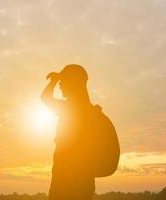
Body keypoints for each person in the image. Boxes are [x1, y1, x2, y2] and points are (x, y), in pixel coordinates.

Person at [41, 64, 118, 200]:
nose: (60, 85)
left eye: (62, 81)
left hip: (66, 186)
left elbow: (45, 98)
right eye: (59, 82)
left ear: (73, 83)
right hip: (78, 186)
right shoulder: (97, 116)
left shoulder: (69, 110)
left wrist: (53, 81)